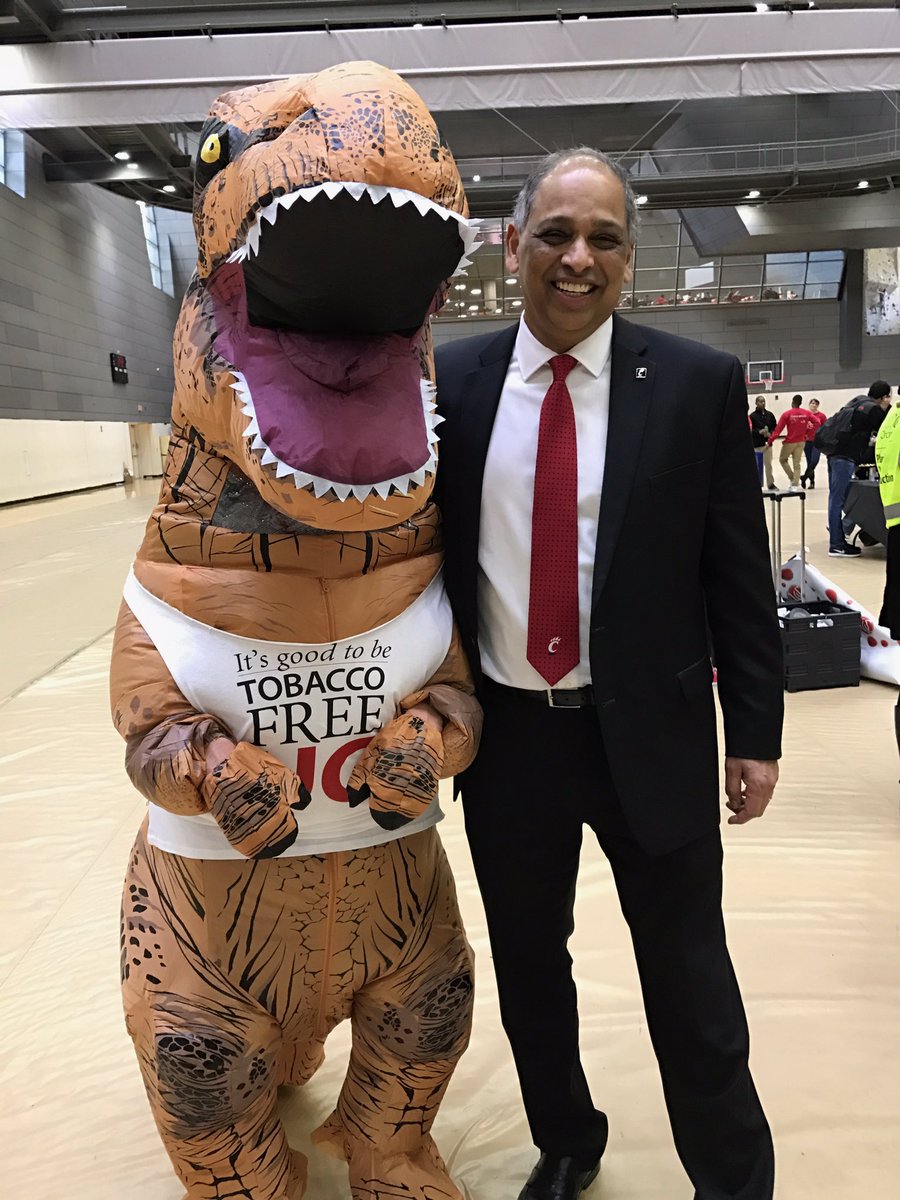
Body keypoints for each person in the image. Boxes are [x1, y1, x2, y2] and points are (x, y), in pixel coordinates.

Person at [435, 147, 783, 1200]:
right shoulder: (449, 382)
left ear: (630, 257)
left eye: (603, 239)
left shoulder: (696, 386)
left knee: (690, 984)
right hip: (509, 742)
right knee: (533, 970)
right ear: (514, 242)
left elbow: (738, 574)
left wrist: (756, 735)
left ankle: (732, 1181)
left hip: (655, 734)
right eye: (555, 234)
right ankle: (567, 1140)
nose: (577, 258)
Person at [827, 380, 892, 557]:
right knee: (838, 500)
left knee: (837, 498)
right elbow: (885, 434)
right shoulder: (875, 410)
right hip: (845, 457)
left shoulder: (857, 401)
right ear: (884, 397)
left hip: (834, 453)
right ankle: (837, 545)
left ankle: (839, 536)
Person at [766, 393, 814, 489]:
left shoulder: (787, 414)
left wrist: (770, 441)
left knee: (782, 460)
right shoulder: (806, 413)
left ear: (792, 402)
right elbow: (817, 422)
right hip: (801, 441)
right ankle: (795, 484)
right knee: (797, 463)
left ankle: (792, 478)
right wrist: (808, 433)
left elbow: (778, 430)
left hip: (790, 442)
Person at [750, 393, 777, 487]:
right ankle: (758, 484)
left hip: (768, 445)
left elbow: (775, 428)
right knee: (757, 467)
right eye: (760, 401)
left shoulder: (770, 415)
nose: (763, 403)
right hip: (757, 445)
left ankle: (770, 483)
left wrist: (770, 433)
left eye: (764, 401)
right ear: (756, 403)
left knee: (768, 465)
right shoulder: (752, 416)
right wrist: (759, 432)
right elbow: (750, 430)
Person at [800, 397, 826, 488]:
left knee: (814, 461)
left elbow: (825, 428)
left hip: (817, 442)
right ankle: (812, 482)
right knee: (809, 462)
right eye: (812, 403)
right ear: (809, 404)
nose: (813, 405)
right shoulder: (805, 415)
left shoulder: (821, 416)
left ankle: (804, 477)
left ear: (818, 405)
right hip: (807, 441)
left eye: (815, 404)